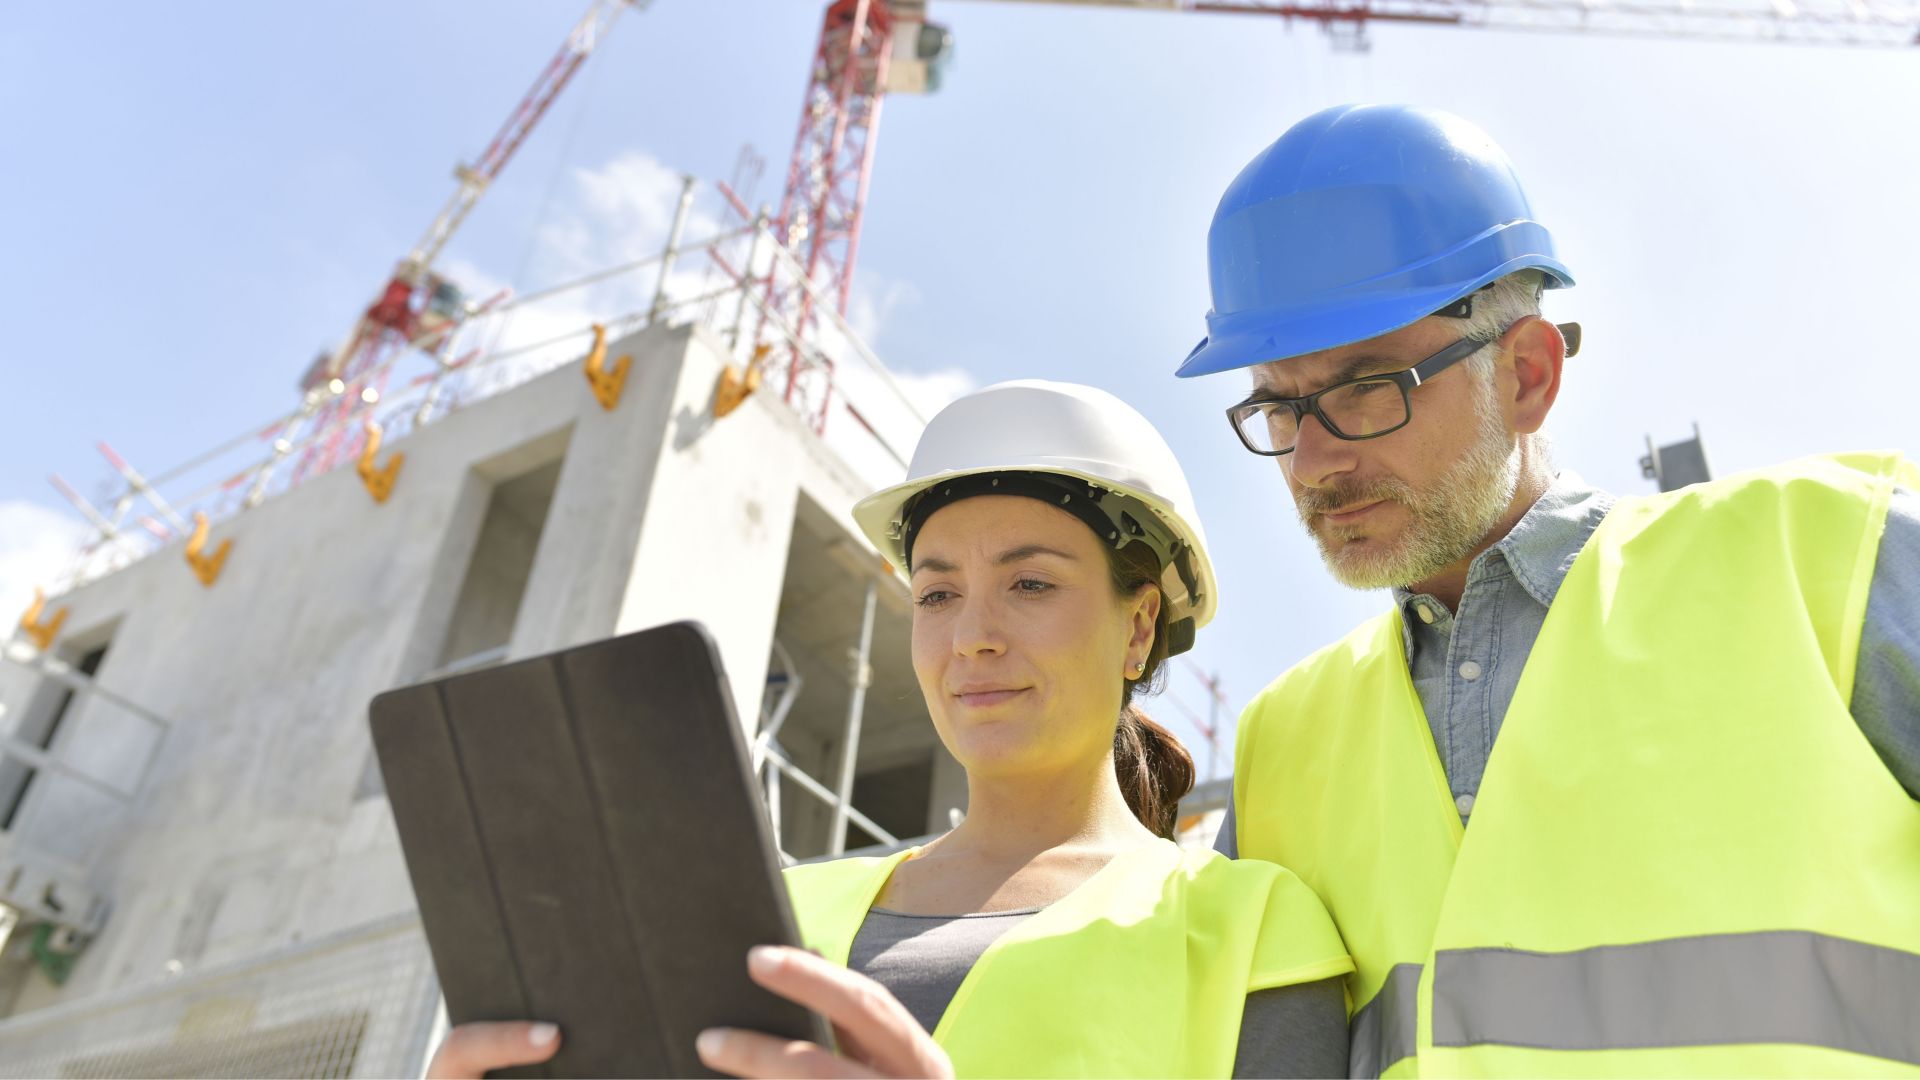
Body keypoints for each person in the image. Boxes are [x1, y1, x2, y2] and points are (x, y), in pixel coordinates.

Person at [1178, 103, 1920, 1077]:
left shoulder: (1825, 554)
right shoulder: (1284, 746)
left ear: (1526, 375)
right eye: (1279, 404)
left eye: (1364, 388)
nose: (1312, 460)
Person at [428, 380, 1354, 1080]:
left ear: (1139, 625)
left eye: (1030, 584)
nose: (972, 636)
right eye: (938, 593)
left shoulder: (1249, 928)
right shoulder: (783, 910)